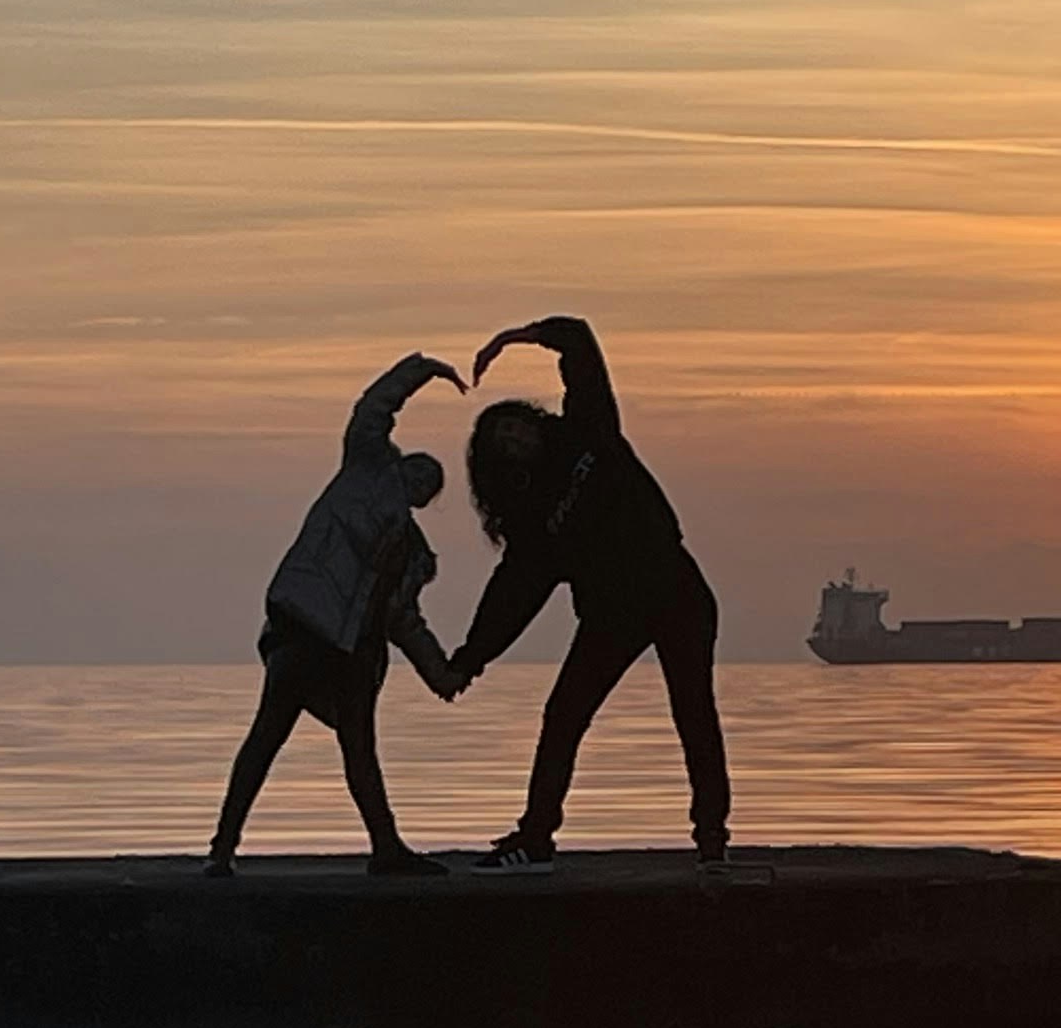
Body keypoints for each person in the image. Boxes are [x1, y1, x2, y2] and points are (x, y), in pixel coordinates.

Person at [448, 313, 730, 868]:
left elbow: (578, 341)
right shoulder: (530, 522)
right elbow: (513, 597)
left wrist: (515, 338)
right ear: (497, 463)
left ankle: (712, 839)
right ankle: (535, 839)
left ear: (534, 422)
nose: (516, 436)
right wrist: (470, 659)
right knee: (564, 715)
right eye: (502, 439)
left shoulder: (588, 433)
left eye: (516, 424)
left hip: (676, 590)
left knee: (693, 712)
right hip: (611, 615)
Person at [207, 352, 464, 876]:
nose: (422, 480)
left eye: (430, 484)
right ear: (400, 463)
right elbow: (373, 409)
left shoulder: (413, 556)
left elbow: (405, 621)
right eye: (418, 469)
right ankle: (222, 849)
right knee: (268, 734)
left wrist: (445, 674)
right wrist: (424, 371)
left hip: (357, 652)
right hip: (304, 627)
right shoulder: (366, 468)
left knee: (360, 749)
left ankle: (386, 849)